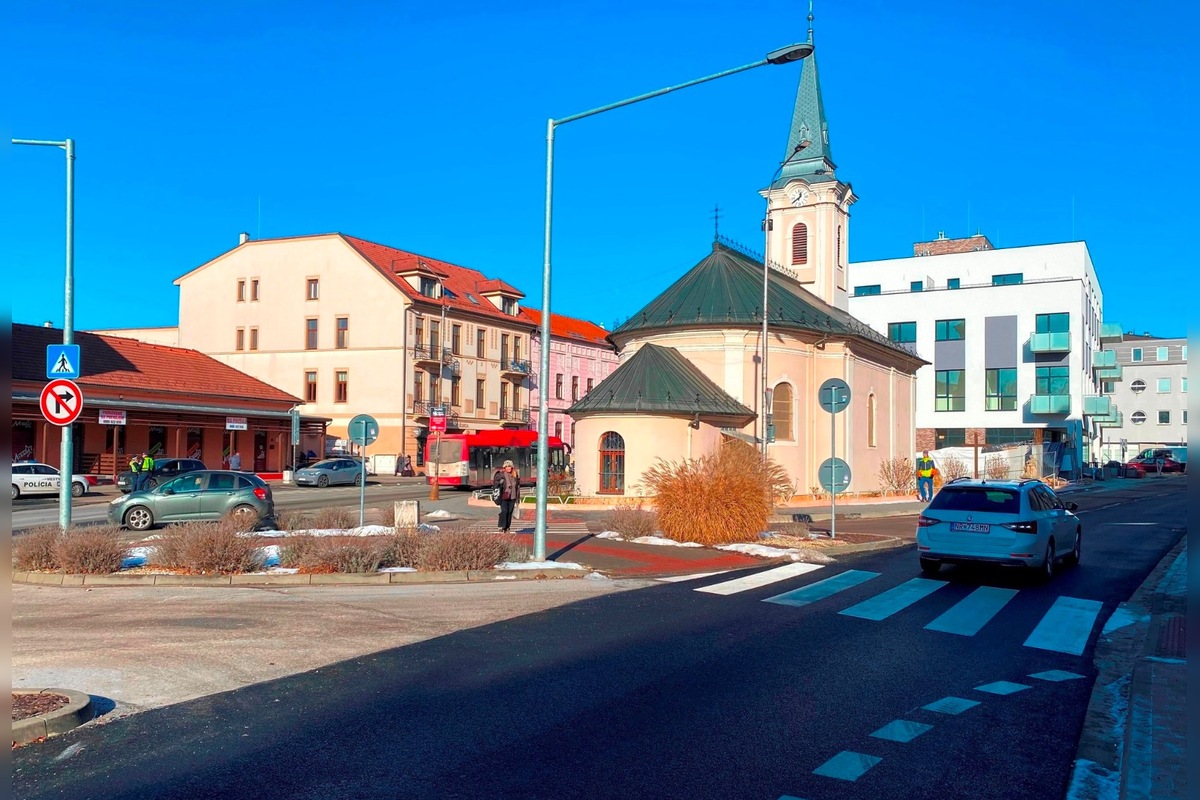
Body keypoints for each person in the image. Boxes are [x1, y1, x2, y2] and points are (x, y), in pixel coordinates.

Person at [492, 459, 520, 533]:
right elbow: (495, 485)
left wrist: (518, 499)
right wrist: (500, 482)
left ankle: (507, 527)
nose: (508, 468)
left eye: (509, 466)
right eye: (506, 466)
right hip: (503, 496)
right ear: (504, 467)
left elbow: (517, 487)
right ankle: (502, 526)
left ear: (512, 467)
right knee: (504, 511)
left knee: (510, 512)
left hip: (512, 497)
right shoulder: (500, 474)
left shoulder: (515, 475)